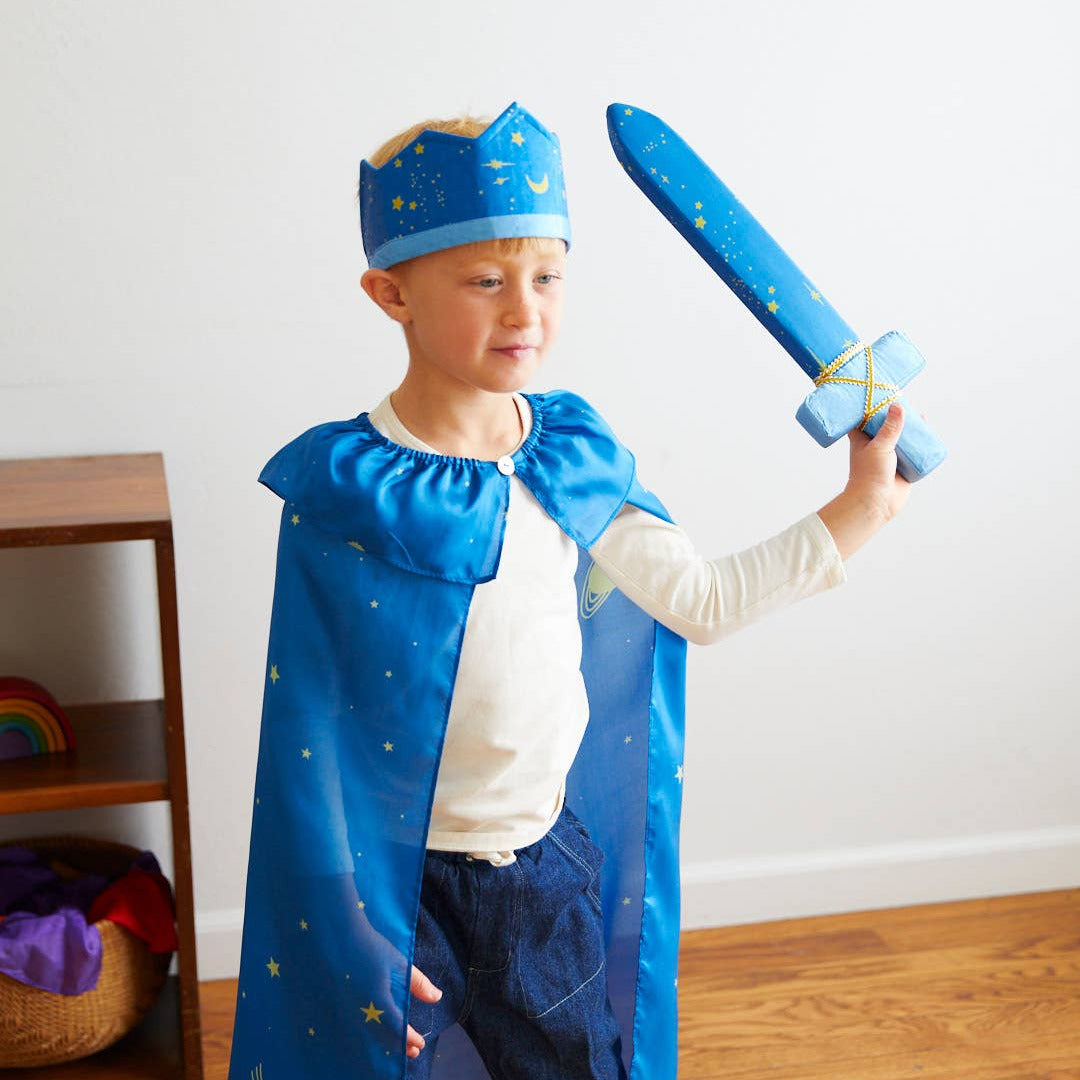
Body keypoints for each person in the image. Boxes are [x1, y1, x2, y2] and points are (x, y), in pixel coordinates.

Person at [227, 102, 910, 1080]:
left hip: (533, 877)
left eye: (548, 277)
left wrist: (862, 506)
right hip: (393, 884)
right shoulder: (347, 490)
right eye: (486, 279)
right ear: (391, 293)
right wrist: (346, 920)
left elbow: (701, 602)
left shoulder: (569, 461)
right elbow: (307, 744)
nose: (526, 311)